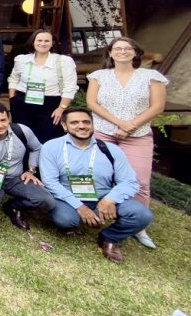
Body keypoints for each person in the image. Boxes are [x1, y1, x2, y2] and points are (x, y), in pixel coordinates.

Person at [40, 107, 153, 263]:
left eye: (86, 122)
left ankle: (109, 237)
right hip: (67, 197)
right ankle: (75, 221)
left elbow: (129, 181)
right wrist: (80, 207)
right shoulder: (51, 147)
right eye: (75, 122)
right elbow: (50, 182)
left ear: (93, 125)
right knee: (65, 220)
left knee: (142, 215)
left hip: (103, 195)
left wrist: (111, 199)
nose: (82, 126)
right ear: (65, 126)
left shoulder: (111, 149)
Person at [86, 36, 167, 249]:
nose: (122, 51)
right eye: (117, 48)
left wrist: (131, 125)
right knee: (97, 173)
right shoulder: (99, 76)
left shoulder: (151, 76)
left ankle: (138, 226)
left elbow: (157, 106)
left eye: (127, 48)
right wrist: (119, 123)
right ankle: (96, 209)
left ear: (136, 53)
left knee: (140, 180)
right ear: (110, 53)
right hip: (104, 131)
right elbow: (92, 103)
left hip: (137, 135)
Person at [0, 101, 56, 230]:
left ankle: (13, 206)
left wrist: (31, 170)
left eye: (3, 120)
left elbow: (37, 148)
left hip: (16, 178)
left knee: (47, 201)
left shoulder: (21, 130)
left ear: (8, 118)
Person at [8, 29, 78, 143]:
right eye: (39, 40)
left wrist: (62, 108)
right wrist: (12, 99)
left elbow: (70, 87)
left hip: (50, 106)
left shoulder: (63, 61)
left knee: (48, 140)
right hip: (22, 104)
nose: (43, 43)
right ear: (33, 42)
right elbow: (14, 78)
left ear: (52, 43)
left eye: (47, 41)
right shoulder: (22, 59)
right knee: (22, 139)